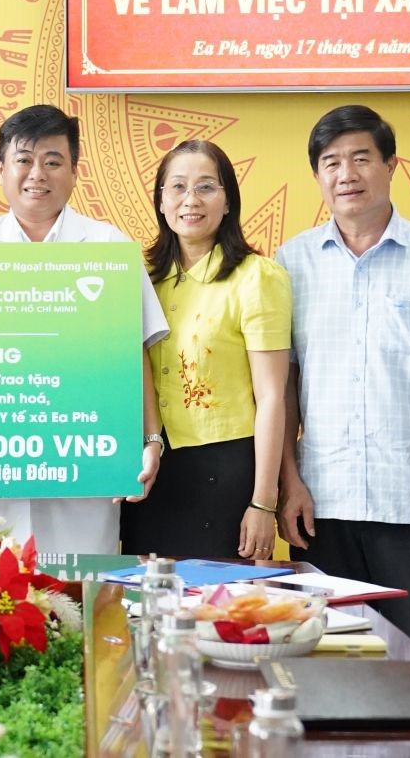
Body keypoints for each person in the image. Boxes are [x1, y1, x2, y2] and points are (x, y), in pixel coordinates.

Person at [275, 105, 410, 660]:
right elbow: (284, 385)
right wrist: (288, 481)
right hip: (324, 502)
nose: (346, 174)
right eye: (331, 162)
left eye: (361, 158)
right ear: (317, 175)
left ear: (391, 165)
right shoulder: (291, 263)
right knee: (332, 662)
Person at [0, 104, 168, 555]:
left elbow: (135, 354)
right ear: (0, 169)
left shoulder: (109, 247)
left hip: (86, 460)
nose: (37, 174)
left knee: (83, 585)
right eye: (24, 159)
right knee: (0, 583)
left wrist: (152, 439)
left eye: (53, 161)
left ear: (74, 171)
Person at [123, 140, 290, 560]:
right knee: (147, 595)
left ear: (228, 200)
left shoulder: (257, 277)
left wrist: (263, 502)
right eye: (178, 187)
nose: (190, 200)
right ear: (161, 200)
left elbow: (272, 397)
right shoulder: (140, 278)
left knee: (220, 596)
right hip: (150, 468)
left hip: (225, 469)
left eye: (206, 187)